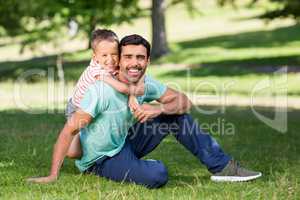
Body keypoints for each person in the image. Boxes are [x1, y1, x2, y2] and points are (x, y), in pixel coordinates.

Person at [27, 34, 262, 187]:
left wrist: (157, 108)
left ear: (147, 61)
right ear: (119, 61)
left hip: (125, 141)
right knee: (157, 175)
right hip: (102, 158)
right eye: (127, 57)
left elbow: (183, 101)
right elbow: (68, 131)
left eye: (140, 57)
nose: (134, 62)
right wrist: (52, 175)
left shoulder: (145, 83)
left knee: (175, 114)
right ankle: (132, 167)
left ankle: (223, 167)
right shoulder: (100, 90)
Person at [64, 29, 144, 159]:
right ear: (95, 57)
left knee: (97, 139)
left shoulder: (114, 65)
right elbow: (121, 87)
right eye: (104, 55)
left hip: (94, 108)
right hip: (77, 108)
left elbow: (137, 74)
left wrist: (132, 97)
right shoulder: (97, 70)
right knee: (73, 153)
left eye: (114, 54)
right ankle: (68, 140)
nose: (110, 59)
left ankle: (95, 152)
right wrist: (135, 92)